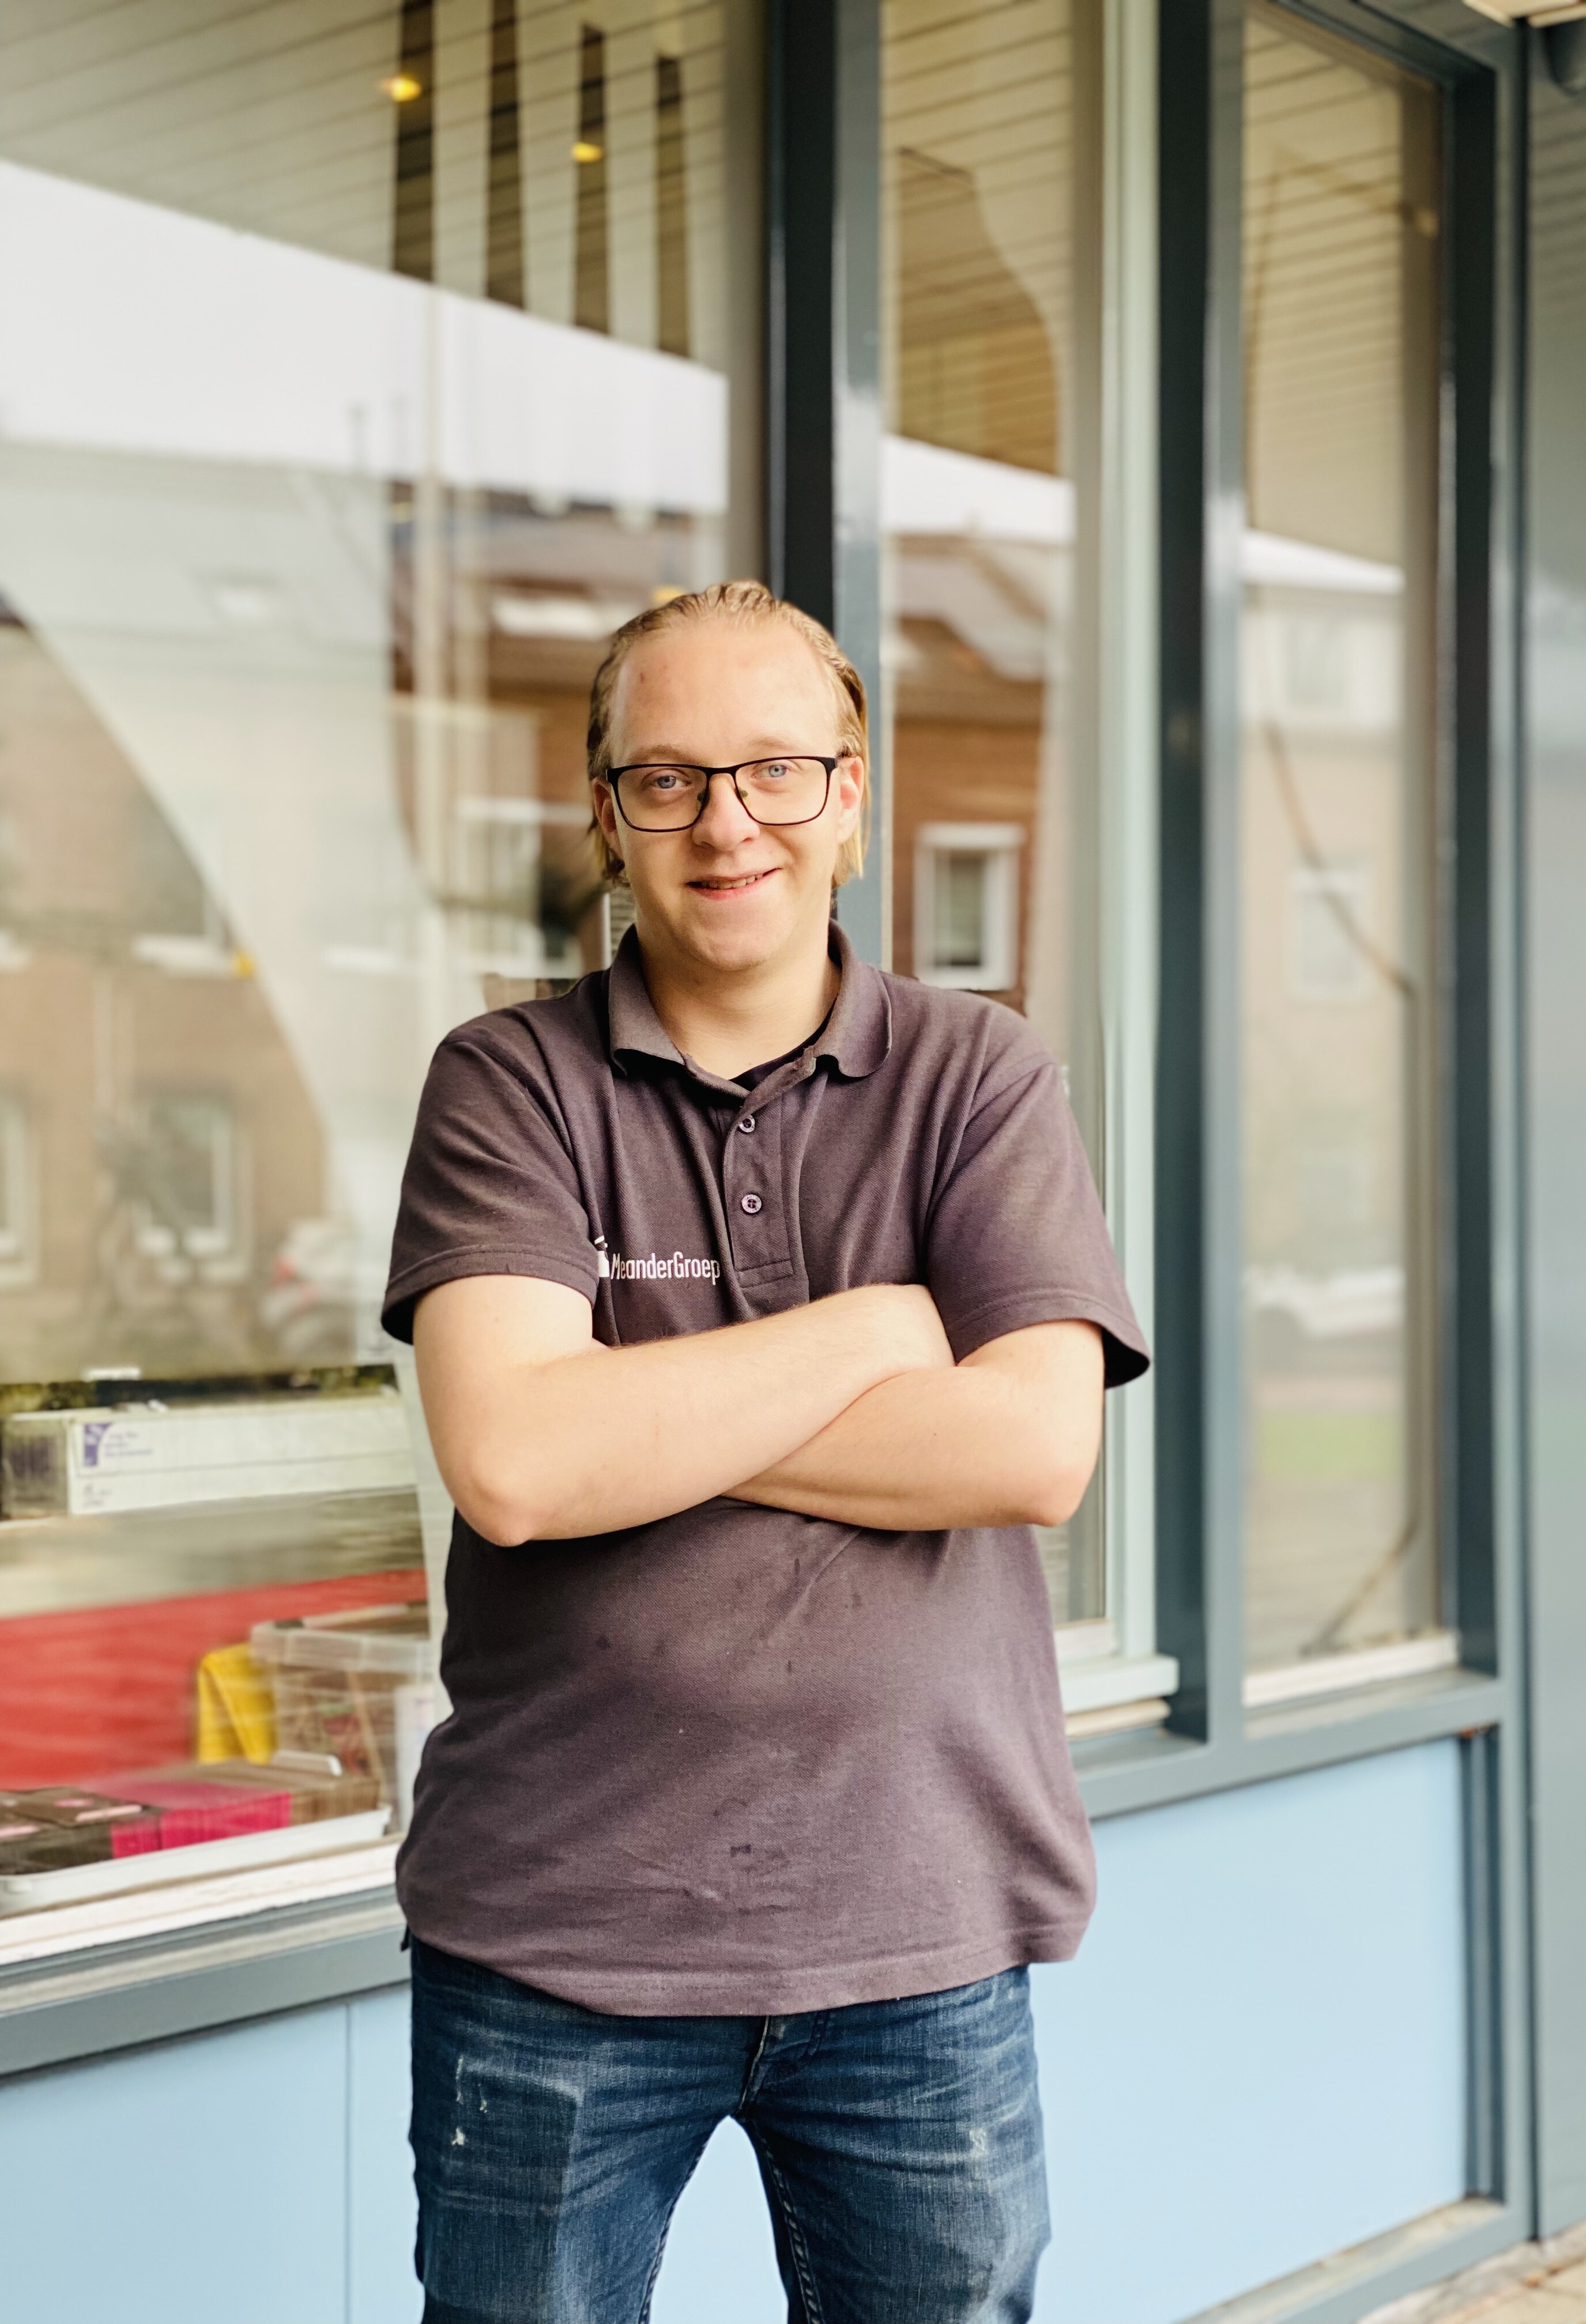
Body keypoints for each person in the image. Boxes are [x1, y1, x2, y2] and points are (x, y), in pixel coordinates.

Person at [383, 580, 1148, 2324]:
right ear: (606, 820)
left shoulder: (979, 1078)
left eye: (775, 772)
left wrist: (637, 1407)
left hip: (921, 1922)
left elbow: (1034, 1446)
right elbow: (513, 1464)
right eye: (665, 780)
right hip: (556, 1933)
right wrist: (873, 1337)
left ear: (852, 797)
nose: (724, 821)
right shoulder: (508, 1084)